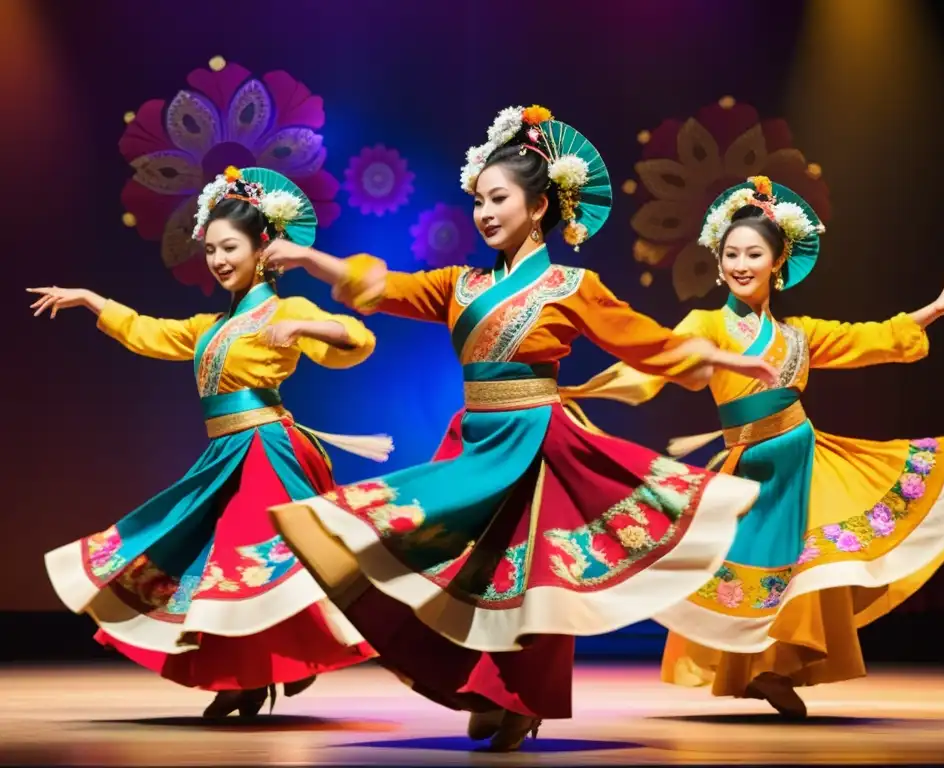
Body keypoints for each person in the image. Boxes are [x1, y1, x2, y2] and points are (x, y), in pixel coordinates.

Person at [260, 105, 774, 752]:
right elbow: (384, 286)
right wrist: (310, 258)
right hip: (477, 441)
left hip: (538, 441)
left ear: (538, 207)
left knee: (535, 580)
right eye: (478, 200)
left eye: (498, 198)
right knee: (464, 569)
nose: (483, 212)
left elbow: (650, 345)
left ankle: (520, 698)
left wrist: (728, 358)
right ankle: (482, 685)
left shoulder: (571, 285)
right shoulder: (460, 284)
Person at [560, 175, 944, 718]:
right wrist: (582, 389)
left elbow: (867, 338)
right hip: (749, 472)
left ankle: (775, 671)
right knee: (744, 571)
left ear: (776, 264)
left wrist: (934, 309)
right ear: (718, 265)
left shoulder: (799, 335)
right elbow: (657, 358)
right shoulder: (707, 324)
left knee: (806, 570)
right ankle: (749, 669)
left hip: (802, 464)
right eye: (731, 254)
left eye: (753, 253)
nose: (741, 263)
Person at [30, 166, 393, 718]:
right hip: (225, 453)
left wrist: (306, 329)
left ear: (262, 248)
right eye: (212, 250)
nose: (219, 260)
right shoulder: (211, 326)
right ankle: (248, 676)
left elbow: (358, 338)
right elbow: (147, 332)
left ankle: (268, 667)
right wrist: (89, 298)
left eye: (230, 247)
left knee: (246, 557)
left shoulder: (285, 310)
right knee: (210, 558)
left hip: (267, 451)